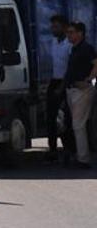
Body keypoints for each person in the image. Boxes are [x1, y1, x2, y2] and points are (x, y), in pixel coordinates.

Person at [64, 21, 97, 169]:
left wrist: (89, 79)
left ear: (80, 33)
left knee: (78, 125)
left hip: (82, 90)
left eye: (71, 32)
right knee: (76, 124)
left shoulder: (86, 48)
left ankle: (83, 159)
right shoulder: (75, 49)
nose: (68, 35)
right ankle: (80, 155)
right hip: (73, 89)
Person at [45, 15, 75, 161]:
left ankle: (68, 149)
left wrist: (62, 87)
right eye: (52, 26)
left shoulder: (69, 45)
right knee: (50, 117)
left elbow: (70, 67)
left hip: (65, 82)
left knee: (66, 118)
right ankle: (52, 149)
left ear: (64, 28)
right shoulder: (53, 42)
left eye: (56, 27)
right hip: (54, 81)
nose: (53, 29)